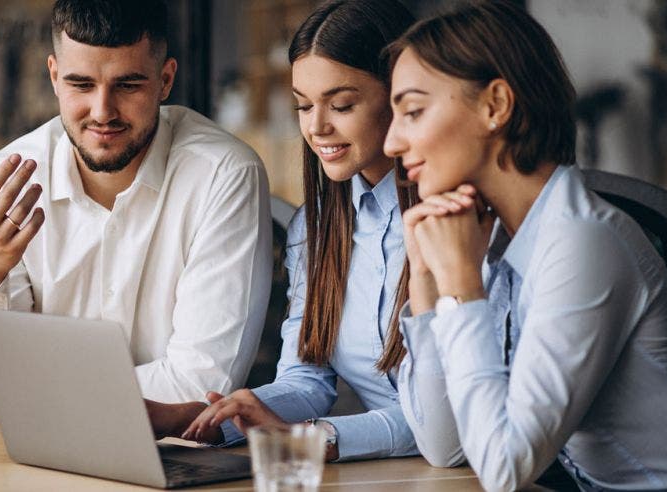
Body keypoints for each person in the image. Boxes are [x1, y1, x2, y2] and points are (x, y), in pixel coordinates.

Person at [384, 1, 667, 490]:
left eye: (413, 112)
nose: (391, 144)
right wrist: (427, 280)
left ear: (495, 105)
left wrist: (462, 288)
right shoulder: (492, 237)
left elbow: (505, 468)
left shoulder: (582, 241)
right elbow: (446, 446)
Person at [148, 0, 463, 465]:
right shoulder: (315, 230)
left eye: (342, 104)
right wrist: (206, 419)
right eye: (302, 105)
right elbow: (305, 380)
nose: (316, 127)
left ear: (403, 97)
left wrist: (317, 437)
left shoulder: (458, 223)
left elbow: (449, 423)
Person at [0, 0, 272, 422]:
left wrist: (29, 391)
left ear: (165, 79)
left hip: (176, 468)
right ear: (55, 77)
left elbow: (200, 388)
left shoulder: (223, 174)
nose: (102, 112)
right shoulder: (2, 187)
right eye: (81, 85)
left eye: (128, 85)